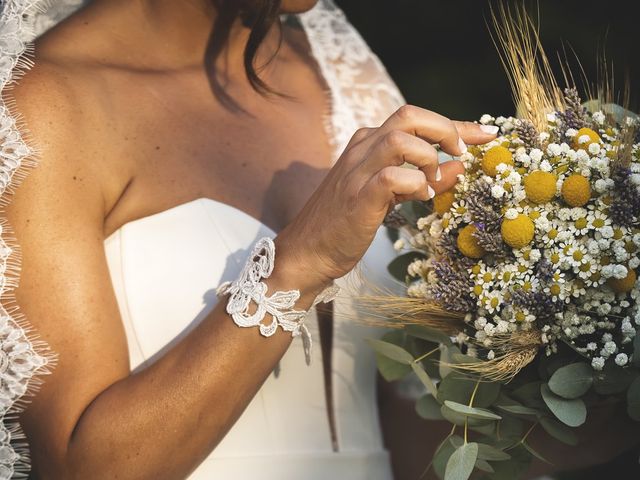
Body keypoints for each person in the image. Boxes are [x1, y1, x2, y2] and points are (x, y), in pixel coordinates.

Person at [0, 0, 498, 478]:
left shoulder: (346, 86)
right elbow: (81, 469)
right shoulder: (45, 109)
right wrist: (303, 261)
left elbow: (394, 434)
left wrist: (552, 393)